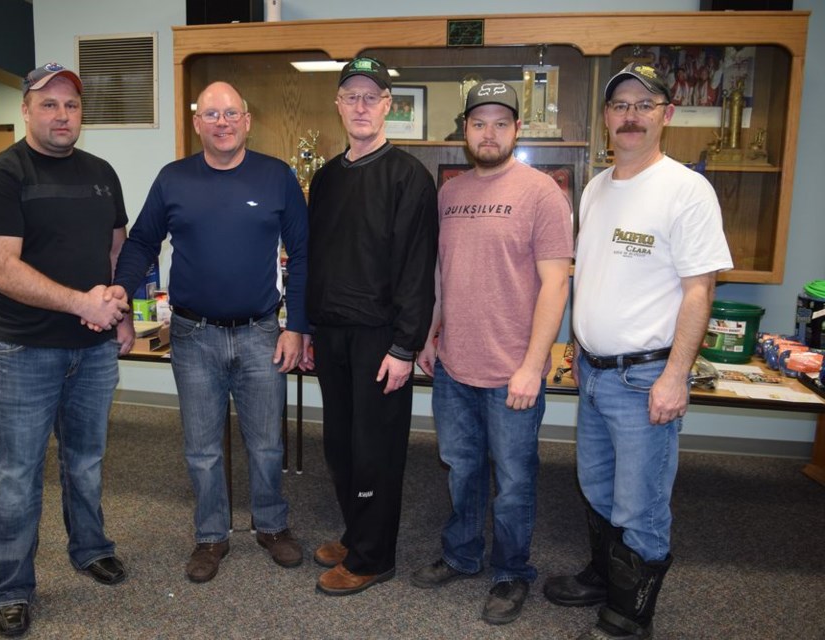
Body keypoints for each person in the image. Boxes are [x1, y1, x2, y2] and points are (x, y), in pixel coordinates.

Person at [543, 63, 732, 639]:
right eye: (620, 105)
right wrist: (577, 343)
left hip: (645, 377)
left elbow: (700, 289)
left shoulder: (687, 190)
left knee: (641, 504)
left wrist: (676, 377)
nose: (630, 115)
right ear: (606, 117)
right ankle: (604, 578)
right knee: (597, 488)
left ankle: (631, 615)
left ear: (665, 115)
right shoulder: (598, 187)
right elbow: (591, 277)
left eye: (643, 105)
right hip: (596, 375)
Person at [112, 81, 307, 584]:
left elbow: (305, 255)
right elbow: (140, 243)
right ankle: (211, 536)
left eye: (231, 114)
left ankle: (271, 525)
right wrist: (118, 296)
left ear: (247, 120)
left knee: (266, 443)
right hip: (193, 336)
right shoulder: (173, 179)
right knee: (202, 447)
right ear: (197, 123)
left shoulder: (276, 176)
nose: (222, 122)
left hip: (262, 332)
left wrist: (298, 327)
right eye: (211, 114)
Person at [0, 62, 133, 637]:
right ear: (27, 109)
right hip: (26, 352)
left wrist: (119, 305)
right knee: (16, 474)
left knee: (86, 461)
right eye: (49, 105)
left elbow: (117, 251)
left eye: (71, 106)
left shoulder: (101, 174)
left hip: (92, 352)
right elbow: (0, 269)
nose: (62, 116)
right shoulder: (1, 175)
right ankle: (10, 586)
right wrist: (81, 305)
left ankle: (90, 548)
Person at [410, 80, 573, 625]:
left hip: (513, 373)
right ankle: (461, 554)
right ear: (465, 130)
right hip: (455, 364)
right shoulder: (449, 194)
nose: (489, 132)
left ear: (517, 130)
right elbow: (440, 274)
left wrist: (534, 365)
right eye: (479, 123)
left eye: (501, 123)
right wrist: (431, 335)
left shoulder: (543, 193)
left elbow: (556, 285)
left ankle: (511, 572)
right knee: (460, 469)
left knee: (515, 481)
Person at [304, 57, 438, 596]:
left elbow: (416, 268)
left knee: (375, 452)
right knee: (340, 446)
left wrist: (406, 346)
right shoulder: (327, 177)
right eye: (350, 96)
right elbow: (317, 257)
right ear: (338, 105)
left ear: (388, 105)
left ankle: (373, 557)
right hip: (332, 335)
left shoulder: (408, 176)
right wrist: (310, 328)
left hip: (382, 339)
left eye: (371, 96)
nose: (360, 106)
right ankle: (357, 532)